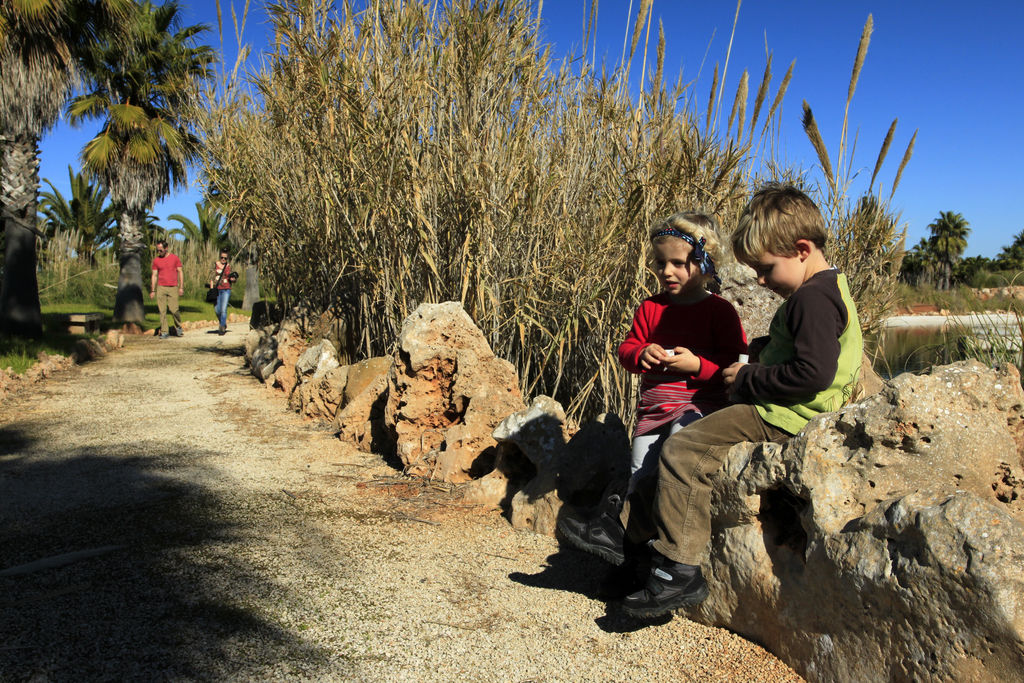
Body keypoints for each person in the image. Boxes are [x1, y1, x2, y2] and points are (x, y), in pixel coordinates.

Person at [557, 185, 863, 619]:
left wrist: (751, 376)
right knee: (658, 461)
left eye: (765, 268)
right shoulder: (824, 290)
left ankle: (679, 568)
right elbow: (806, 357)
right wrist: (763, 352)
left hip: (783, 414)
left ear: (801, 250)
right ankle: (624, 535)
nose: (759, 279)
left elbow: (814, 373)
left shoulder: (811, 299)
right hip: (778, 407)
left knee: (683, 450)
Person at [618, 212, 747, 492]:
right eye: (661, 263)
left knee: (677, 460)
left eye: (678, 263)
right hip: (653, 412)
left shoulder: (719, 311)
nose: (666, 271)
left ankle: (666, 531)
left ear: (703, 263)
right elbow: (626, 349)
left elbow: (735, 363)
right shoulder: (650, 308)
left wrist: (698, 366)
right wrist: (641, 353)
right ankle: (634, 532)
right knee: (640, 476)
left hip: (700, 408)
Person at [150, 240, 184, 339]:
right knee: (162, 311)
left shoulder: (175, 258)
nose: (159, 252)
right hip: (161, 287)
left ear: (166, 248)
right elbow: (154, 275)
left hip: (173, 287)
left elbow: (180, 272)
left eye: (160, 250)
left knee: (174, 310)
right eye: (157, 250)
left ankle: (178, 326)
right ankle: (165, 331)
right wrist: (153, 290)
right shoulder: (156, 261)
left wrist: (181, 287)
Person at [208, 248, 236, 335]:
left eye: (225, 258)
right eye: (222, 258)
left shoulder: (229, 266)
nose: (223, 260)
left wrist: (233, 279)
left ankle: (222, 327)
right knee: (217, 310)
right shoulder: (215, 265)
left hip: (226, 289)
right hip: (217, 289)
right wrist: (212, 289)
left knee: (223, 309)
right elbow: (211, 277)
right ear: (219, 257)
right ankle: (222, 322)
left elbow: (233, 278)